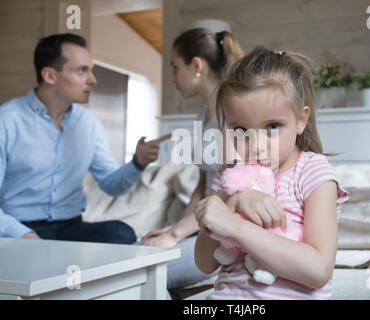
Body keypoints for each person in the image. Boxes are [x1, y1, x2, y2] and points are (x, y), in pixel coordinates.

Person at [194, 46, 350, 300]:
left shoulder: (313, 172)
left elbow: (318, 269)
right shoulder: (230, 176)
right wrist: (229, 202)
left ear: (301, 120)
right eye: (241, 130)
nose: (256, 145)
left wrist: (234, 226)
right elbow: (204, 263)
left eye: (273, 126)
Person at [0, 33, 169, 244]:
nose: (93, 80)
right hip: (18, 229)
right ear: (50, 75)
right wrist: (20, 234)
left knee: (121, 233)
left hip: (69, 228)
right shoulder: (7, 120)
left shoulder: (88, 123)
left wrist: (138, 162)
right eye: (82, 71)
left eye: (91, 70)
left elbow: (111, 184)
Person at [139, 28, 244, 294]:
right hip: (205, 229)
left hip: (229, 237)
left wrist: (174, 236)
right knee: (134, 253)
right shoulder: (202, 116)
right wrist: (176, 230)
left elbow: (228, 190)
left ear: (196, 65)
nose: (172, 77)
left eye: (175, 67)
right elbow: (202, 187)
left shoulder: (234, 113)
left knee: (143, 273)